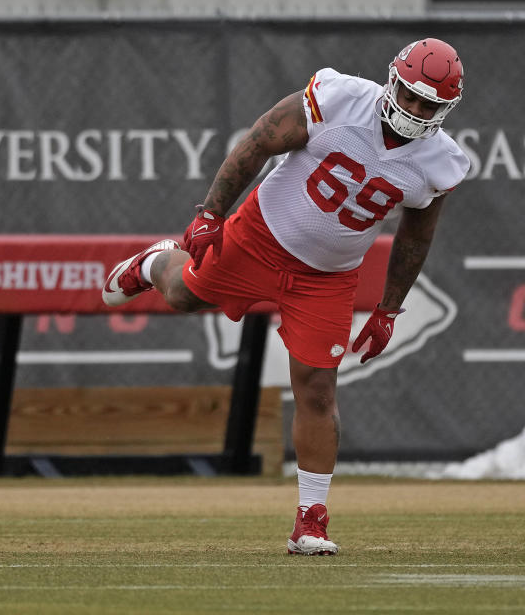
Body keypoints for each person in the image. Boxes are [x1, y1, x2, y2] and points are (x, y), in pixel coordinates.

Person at [102, 38, 468, 555]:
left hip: (328, 276)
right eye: (409, 95)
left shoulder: (440, 162)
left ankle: (310, 521)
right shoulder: (338, 99)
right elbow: (258, 142)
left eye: (429, 104)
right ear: (392, 82)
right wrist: (210, 212)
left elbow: (415, 237)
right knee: (184, 294)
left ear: (446, 109)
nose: (414, 110)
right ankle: (152, 262)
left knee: (318, 388)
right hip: (260, 234)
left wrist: (389, 308)